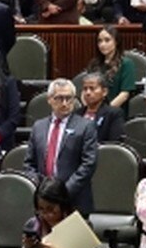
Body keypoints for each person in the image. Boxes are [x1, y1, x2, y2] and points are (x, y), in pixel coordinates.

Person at [23, 79, 99, 215]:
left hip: (74, 201)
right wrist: (41, 190)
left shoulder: (85, 126)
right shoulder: (38, 127)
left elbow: (88, 164)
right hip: (44, 203)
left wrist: (62, 193)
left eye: (69, 98)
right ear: (49, 99)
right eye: (59, 98)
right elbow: (29, 164)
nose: (65, 103)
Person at [84, 25, 137, 112]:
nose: (102, 44)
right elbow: (86, 90)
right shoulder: (94, 64)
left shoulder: (126, 64)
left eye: (107, 40)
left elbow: (124, 94)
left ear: (116, 42)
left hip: (115, 112)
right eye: (99, 41)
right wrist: (89, 109)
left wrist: (104, 112)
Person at [76, 73, 126, 146]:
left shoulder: (113, 114)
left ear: (104, 92)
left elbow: (114, 144)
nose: (88, 92)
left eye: (92, 88)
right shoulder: (77, 114)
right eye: (85, 89)